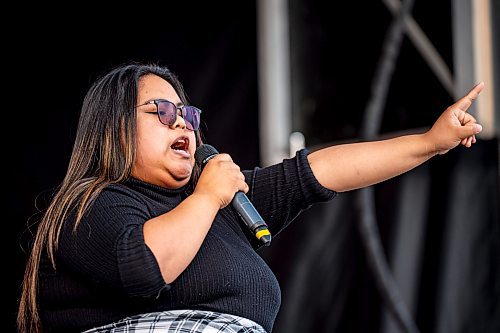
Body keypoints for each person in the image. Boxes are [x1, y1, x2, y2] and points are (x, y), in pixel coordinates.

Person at [17, 62, 484, 333]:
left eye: (187, 113)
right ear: (113, 127)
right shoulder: (91, 205)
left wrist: (429, 142)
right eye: (161, 111)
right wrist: (209, 195)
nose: (181, 122)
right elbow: (144, 265)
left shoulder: (217, 204)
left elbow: (320, 171)